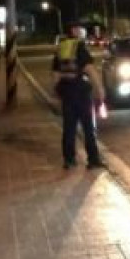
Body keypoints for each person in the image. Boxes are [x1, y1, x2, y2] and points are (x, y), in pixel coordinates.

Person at [52, 25, 106, 170]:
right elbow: (89, 70)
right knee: (88, 127)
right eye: (80, 29)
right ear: (74, 31)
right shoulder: (79, 48)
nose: (82, 32)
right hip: (81, 93)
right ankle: (93, 159)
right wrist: (99, 89)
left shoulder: (61, 49)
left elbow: (56, 75)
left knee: (69, 128)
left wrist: (57, 94)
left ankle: (69, 160)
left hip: (67, 93)